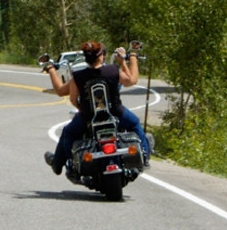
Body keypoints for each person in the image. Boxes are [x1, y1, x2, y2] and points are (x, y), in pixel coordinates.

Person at [43, 41, 150, 175]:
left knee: (68, 132)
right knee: (134, 124)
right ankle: (144, 157)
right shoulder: (113, 70)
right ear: (101, 56)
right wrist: (131, 57)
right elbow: (132, 80)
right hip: (116, 114)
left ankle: (60, 164)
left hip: (88, 117)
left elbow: (64, 93)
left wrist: (52, 70)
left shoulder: (78, 76)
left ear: (86, 58)